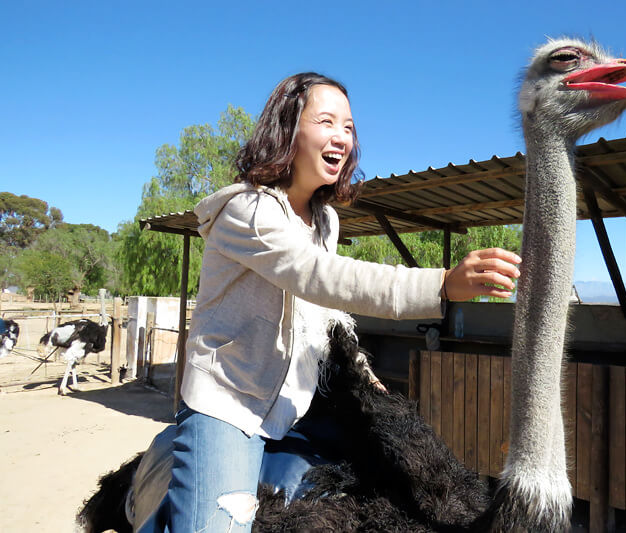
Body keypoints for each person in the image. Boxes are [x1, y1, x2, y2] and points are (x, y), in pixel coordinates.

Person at [152, 72, 521, 532]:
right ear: (288, 129)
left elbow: (323, 310)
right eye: (327, 121)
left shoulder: (325, 221)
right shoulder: (247, 211)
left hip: (296, 402)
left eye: (349, 127)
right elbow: (321, 278)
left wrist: (363, 373)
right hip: (232, 403)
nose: (342, 137)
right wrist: (442, 284)